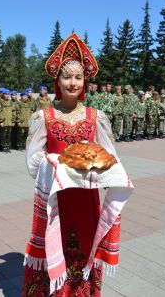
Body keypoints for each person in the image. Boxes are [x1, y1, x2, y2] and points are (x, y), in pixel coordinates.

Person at [22, 33, 132, 296]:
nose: (73, 83)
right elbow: (32, 164)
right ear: (57, 81)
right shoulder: (44, 116)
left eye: (78, 77)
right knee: (54, 247)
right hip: (55, 201)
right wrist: (56, 162)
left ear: (85, 81)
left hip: (86, 200)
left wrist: (102, 170)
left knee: (83, 250)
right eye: (67, 76)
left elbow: (110, 158)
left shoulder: (97, 117)